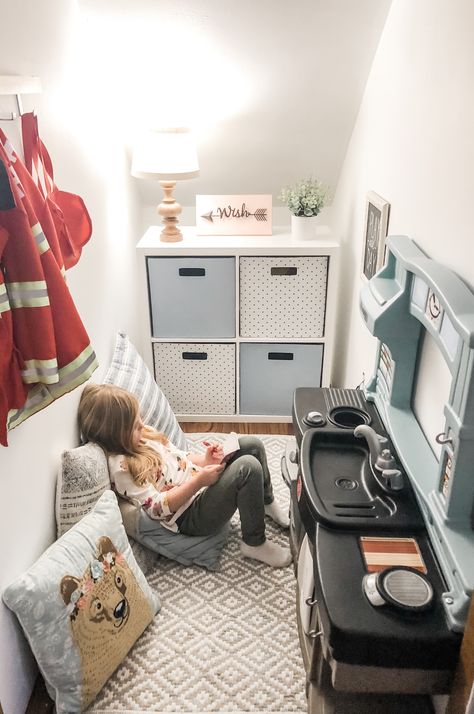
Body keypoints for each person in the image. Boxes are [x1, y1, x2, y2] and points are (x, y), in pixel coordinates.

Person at [78, 384, 292, 568]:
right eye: (135, 426)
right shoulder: (123, 467)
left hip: (199, 487)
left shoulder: (144, 437)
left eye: (139, 419)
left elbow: (181, 458)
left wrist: (207, 460)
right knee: (248, 468)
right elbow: (157, 508)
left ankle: (265, 502)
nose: (143, 426)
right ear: (116, 434)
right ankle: (254, 543)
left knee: (251, 445)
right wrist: (200, 481)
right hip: (190, 516)